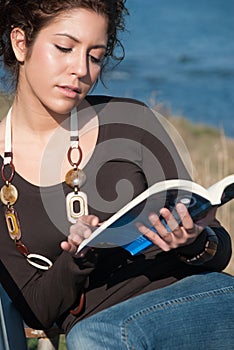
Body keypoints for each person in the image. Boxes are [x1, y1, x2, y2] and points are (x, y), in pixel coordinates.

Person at [0, 0, 233, 349]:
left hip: (194, 303)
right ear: (21, 43)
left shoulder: (130, 122)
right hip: (100, 331)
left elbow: (219, 251)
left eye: (95, 56)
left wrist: (194, 240)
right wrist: (79, 257)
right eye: (65, 48)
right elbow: (36, 308)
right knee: (93, 334)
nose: (81, 69)